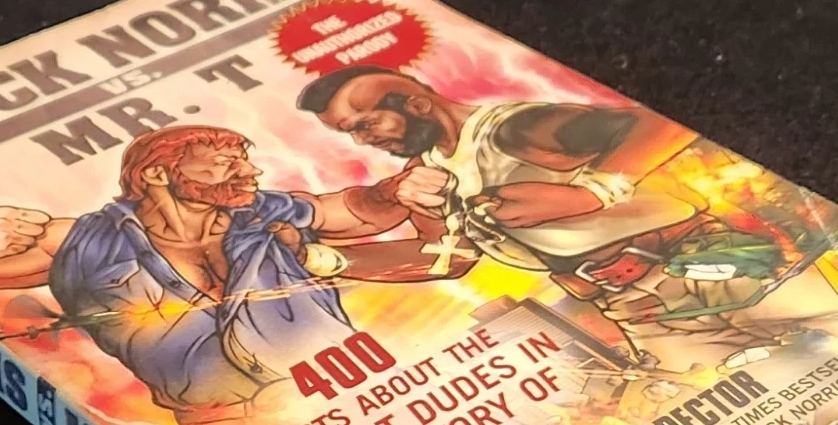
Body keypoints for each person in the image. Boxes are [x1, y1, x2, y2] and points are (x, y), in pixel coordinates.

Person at [0, 124, 421, 425]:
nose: (250, 171)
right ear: (157, 174)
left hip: (344, 397)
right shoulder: (83, 244)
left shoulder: (261, 211)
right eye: (227, 163)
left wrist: (393, 191)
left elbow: (356, 212)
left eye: (244, 160)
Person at [296, 65, 793, 369]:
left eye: (367, 124)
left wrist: (591, 192)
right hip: (628, 304)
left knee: (823, 347)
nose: (364, 140)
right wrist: (323, 259)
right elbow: (445, 259)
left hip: (702, 261)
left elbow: (658, 126)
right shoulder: (426, 175)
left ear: (417, 104)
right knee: (721, 386)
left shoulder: (513, 129)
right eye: (350, 133)